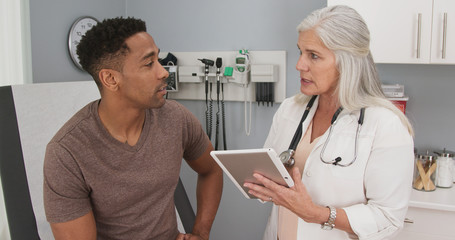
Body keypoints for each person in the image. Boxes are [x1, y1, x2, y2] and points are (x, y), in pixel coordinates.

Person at [43, 17, 223, 240]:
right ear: (110, 79)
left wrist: (200, 233)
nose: (164, 72)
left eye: (159, 58)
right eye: (149, 64)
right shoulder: (66, 153)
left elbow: (212, 169)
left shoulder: (176, 118)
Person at [244, 5, 414, 240]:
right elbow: (271, 174)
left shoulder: (385, 126)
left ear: (347, 63)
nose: (299, 65)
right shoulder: (289, 110)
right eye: (300, 52)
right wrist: (263, 184)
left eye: (313, 55)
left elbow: (388, 219)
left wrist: (316, 214)